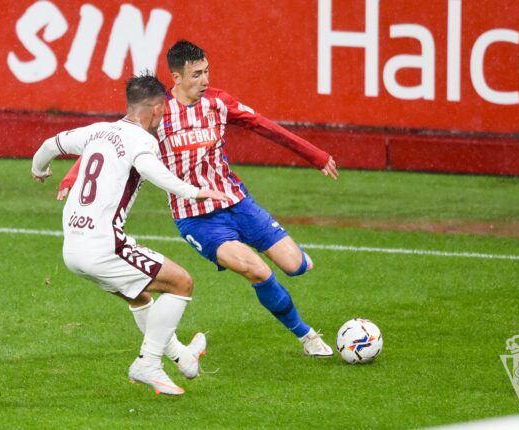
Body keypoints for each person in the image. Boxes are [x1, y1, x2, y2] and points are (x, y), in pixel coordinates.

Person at [58, 40, 339, 357]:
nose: (205, 81)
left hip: (237, 201)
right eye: (196, 75)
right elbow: (110, 139)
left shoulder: (218, 103)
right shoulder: (158, 112)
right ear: (176, 78)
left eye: (206, 72)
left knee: (295, 266)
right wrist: (71, 177)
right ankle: (307, 336)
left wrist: (315, 156)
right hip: (197, 218)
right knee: (257, 271)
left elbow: (262, 124)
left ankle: (297, 264)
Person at [31, 73, 229, 395]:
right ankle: (147, 363)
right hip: (104, 246)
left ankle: (183, 358)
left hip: (73, 250)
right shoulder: (142, 141)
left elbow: (48, 146)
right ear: (155, 109)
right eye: (163, 111)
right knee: (181, 283)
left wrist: (40, 170)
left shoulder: (97, 131)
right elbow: (155, 172)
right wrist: (194, 192)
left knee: (140, 296)